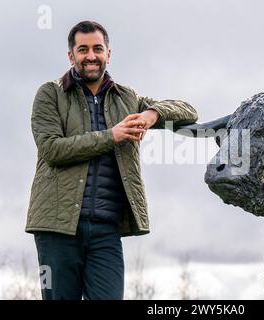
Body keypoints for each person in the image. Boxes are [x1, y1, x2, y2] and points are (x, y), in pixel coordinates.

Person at [25, 20, 198, 300]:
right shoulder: (50, 93)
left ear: (108, 53)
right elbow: (51, 149)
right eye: (83, 49)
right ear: (71, 55)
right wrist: (112, 135)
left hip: (106, 231)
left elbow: (188, 111)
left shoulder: (127, 97)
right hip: (56, 228)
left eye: (97, 48)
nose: (91, 56)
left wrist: (151, 114)